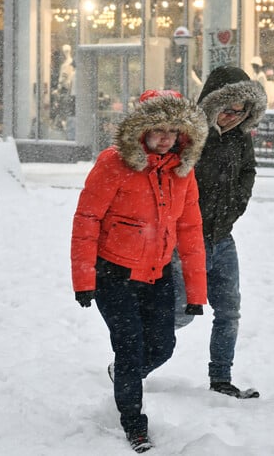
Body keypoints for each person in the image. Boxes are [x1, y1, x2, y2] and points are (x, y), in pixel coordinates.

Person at [71, 89, 209, 453]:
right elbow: (87, 220)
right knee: (130, 347)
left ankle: (123, 376)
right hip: (113, 273)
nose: (165, 137)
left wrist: (196, 294)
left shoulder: (183, 171)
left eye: (172, 130)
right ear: (141, 130)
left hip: (157, 274)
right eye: (157, 128)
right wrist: (84, 280)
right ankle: (135, 424)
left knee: (163, 346)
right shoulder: (113, 163)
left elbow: (190, 232)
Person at [174, 65, 267, 399]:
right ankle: (132, 365)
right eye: (228, 110)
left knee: (229, 311)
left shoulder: (240, 139)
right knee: (179, 313)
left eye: (241, 112)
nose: (233, 118)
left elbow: (248, 172)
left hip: (222, 238)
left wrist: (234, 208)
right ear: (212, 104)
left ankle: (220, 379)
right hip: (185, 242)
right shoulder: (188, 136)